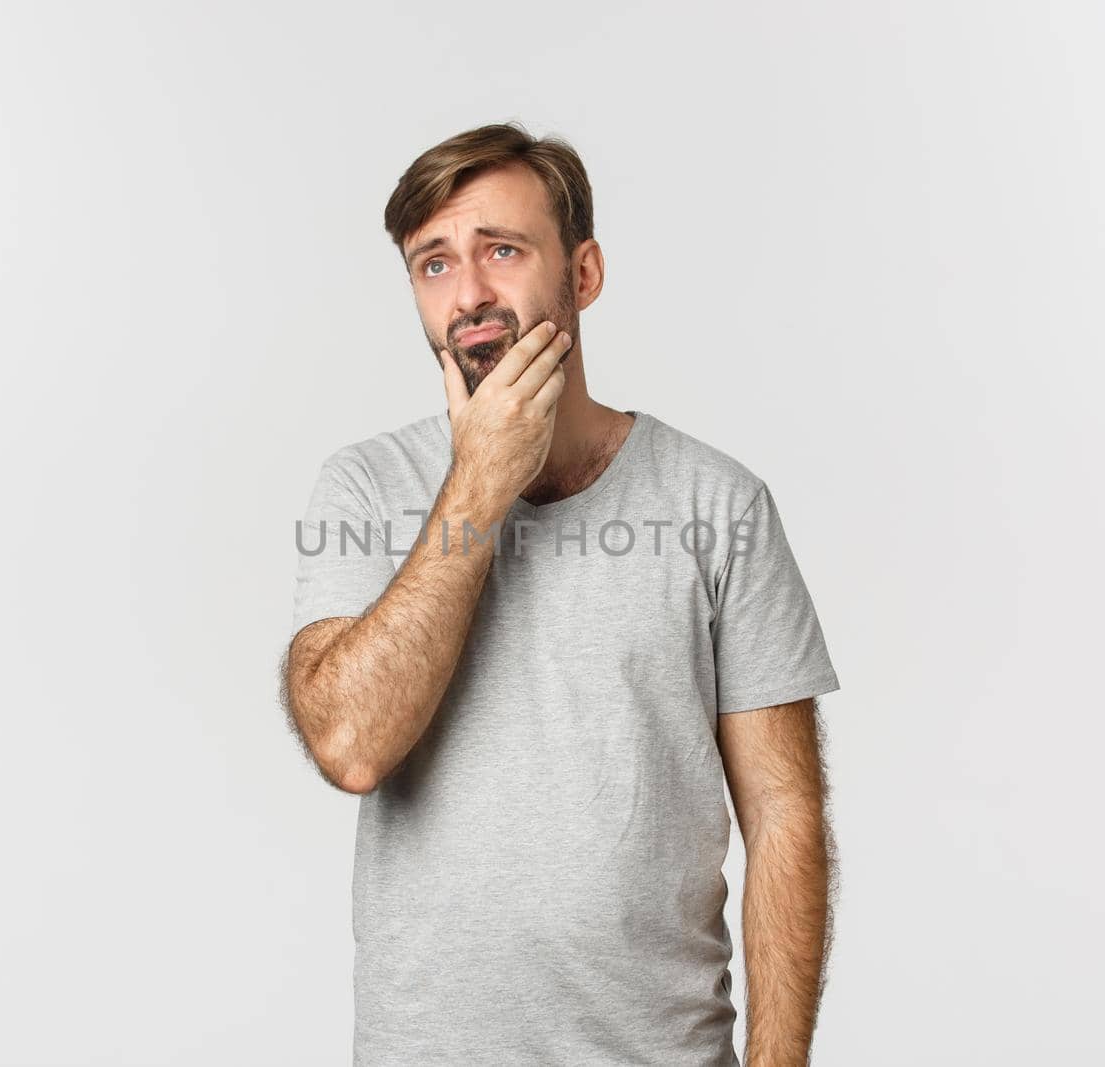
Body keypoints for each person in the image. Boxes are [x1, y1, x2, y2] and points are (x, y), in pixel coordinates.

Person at [280, 121, 841, 1067]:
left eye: (502, 250)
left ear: (583, 273)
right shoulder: (364, 488)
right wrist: (479, 485)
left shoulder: (719, 503)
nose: (470, 295)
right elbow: (352, 746)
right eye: (434, 264)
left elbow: (785, 818)